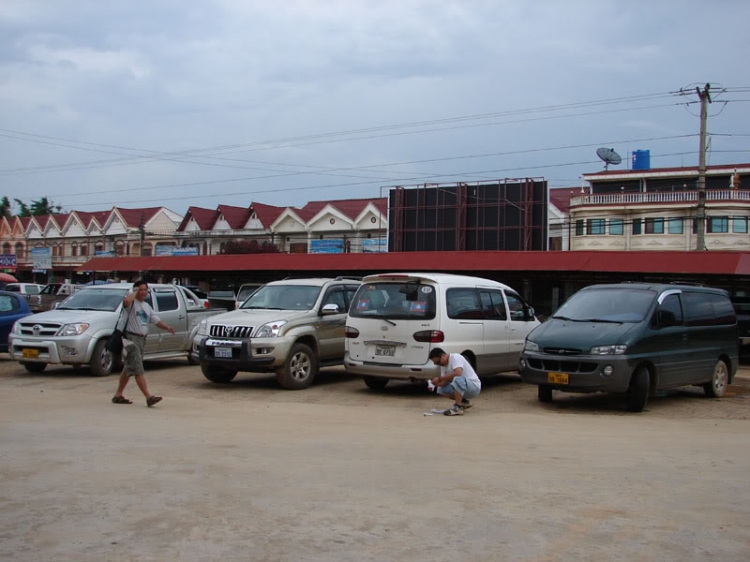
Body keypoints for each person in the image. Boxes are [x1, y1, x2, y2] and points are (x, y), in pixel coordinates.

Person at [111, 280, 175, 407]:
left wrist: (167, 327)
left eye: (145, 289)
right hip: (130, 339)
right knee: (138, 368)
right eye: (140, 289)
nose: (143, 292)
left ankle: (118, 395)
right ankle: (148, 397)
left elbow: (155, 320)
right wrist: (133, 292)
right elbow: (126, 302)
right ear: (135, 290)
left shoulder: (146, 306)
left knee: (128, 368)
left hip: (141, 340)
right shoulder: (131, 304)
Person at [428, 348, 481, 416]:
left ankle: (458, 407)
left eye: (438, 362)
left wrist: (439, 378)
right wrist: (435, 384)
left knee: (457, 379)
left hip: (474, 387)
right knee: (441, 389)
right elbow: (445, 382)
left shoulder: (456, 357)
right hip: (463, 387)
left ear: (443, 355)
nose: (438, 364)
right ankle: (463, 402)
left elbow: (458, 373)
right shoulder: (443, 366)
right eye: (436, 363)